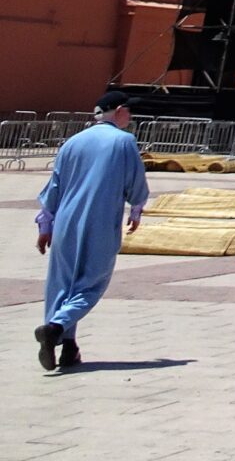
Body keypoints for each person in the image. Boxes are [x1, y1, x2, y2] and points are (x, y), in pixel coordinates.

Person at [34, 89, 149, 371]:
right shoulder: (124, 141)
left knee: (61, 283)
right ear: (119, 111)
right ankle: (56, 327)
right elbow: (134, 181)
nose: (131, 117)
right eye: (128, 111)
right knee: (91, 283)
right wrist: (136, 208)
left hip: (65, 221)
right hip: (100, 221)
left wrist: (45, 224)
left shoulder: (72, 143)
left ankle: (68, 347)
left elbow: (54, 188)